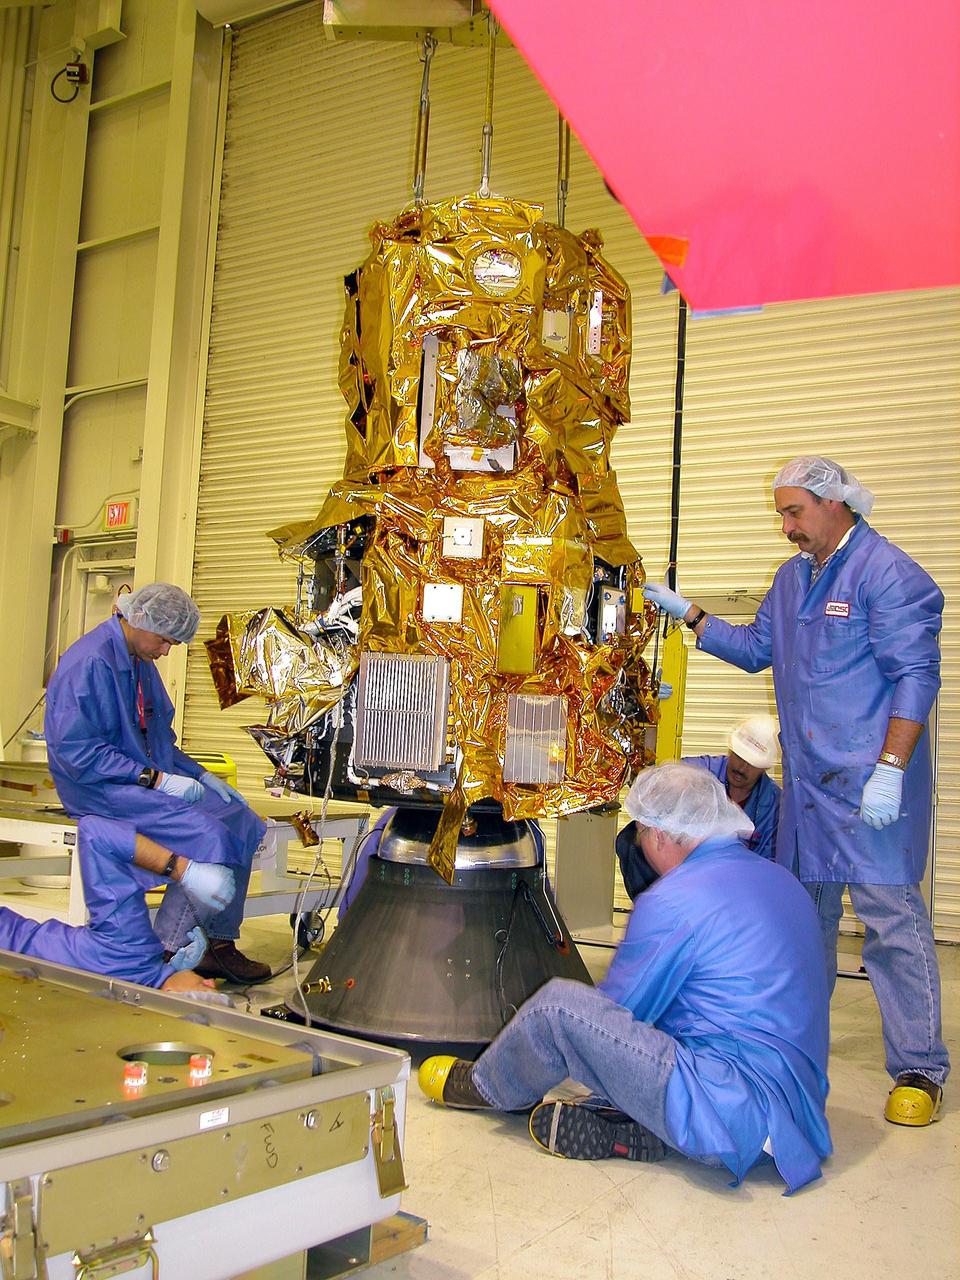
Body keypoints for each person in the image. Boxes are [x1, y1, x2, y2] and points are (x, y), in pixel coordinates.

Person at [643, 455, 948, 1126]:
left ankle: (920, 1068)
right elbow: (756, 648)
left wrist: (893, 767)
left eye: (793, 512)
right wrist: (689, 614)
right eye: (781, 512)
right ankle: (789, 1047)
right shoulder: (791, 579)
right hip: (810, 791)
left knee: (892, 925)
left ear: (836, 503)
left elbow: (916, 677)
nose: (785, 526)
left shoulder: (890, 575)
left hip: (871, 789)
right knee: (803, 923)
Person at [419, 763, 831, 1194]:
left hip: (730, 1113)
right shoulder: (783, 880)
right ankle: (632, 1128)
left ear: (656, 833)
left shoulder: (674, 899)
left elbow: (613, 1017)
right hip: (799, 1112)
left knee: (559, 1009)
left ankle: (487, 1086)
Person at [44, 582, 270, 983]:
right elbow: (74, 752)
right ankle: (164, 953)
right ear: (139, 619)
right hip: (98, 788)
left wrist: (198, 773)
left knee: (242, 820)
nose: (166, 652)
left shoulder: (139, 663)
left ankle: (216, 944)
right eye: (165, 641)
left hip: (142, 780)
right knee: (205, 835)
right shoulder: (89, 663)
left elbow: (158, 740)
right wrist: (154, 778)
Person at [0, 814, 234, 993]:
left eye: (207, 990)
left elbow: (96, 833)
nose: (212, 983)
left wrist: (181, 870)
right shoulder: (131, 959)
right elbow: (94, 831)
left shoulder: (129, 949)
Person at [617, 714, 783, 897]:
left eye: (751, 764)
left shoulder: (774, 806)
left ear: (765, 768)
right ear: (730, 750)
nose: (741, 768)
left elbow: (767, 863)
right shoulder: (695, 771)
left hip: (730, 882)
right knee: (630, 840)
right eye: (738, 756)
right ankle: (652, 903)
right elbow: (651, 807)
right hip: (682, 863)